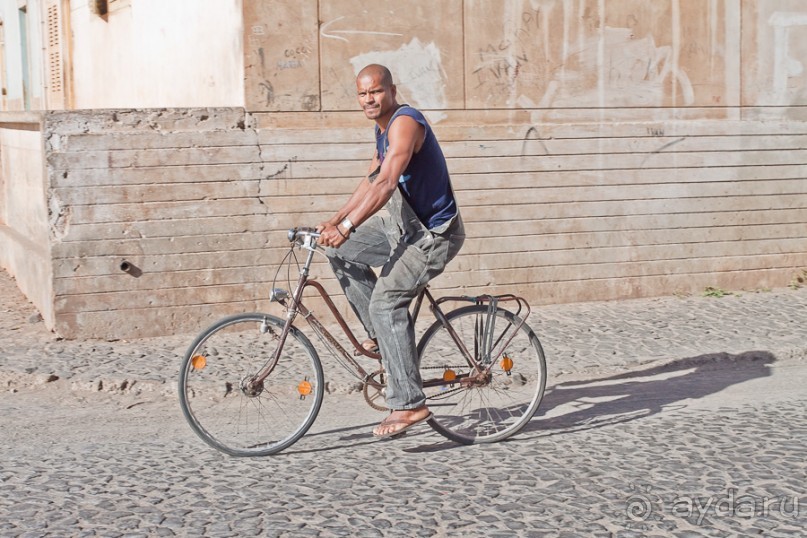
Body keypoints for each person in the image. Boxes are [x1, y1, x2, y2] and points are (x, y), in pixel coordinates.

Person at [317, 64, 465, 438]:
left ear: (391, 90)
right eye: (362, 94)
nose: (369, 99)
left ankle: (410, 404)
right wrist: (334, 221)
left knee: (386, 303)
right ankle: (384, 342)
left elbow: (385, 182)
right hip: (403, 226)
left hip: (433, 234)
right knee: (340, 252)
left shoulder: (405, 123)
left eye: (376, 91)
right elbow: (370, 180)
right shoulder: (381, 130)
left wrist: (348, 227)